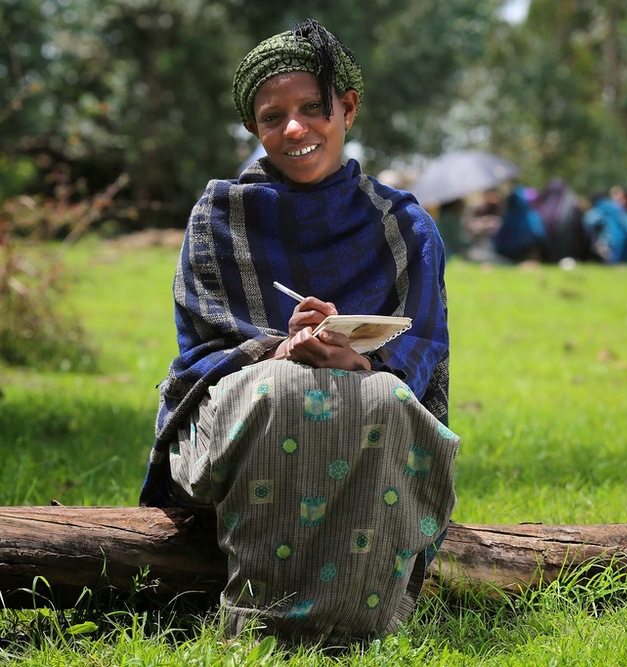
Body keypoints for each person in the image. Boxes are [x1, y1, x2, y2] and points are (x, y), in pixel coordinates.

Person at [139, 19, 458, 649]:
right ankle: (262, 633)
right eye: (272, 116)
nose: (294, 129)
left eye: (313, 108)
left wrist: (360, 363)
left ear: (348, 108)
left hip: (375, 407)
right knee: (282, 391)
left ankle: (363, 633)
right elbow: (202, 353)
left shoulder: (404, 226)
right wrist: (276, 350)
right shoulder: (218, 216)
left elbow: (420, 356)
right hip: (238, 414)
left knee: (383, 402)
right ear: (254, 129)